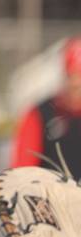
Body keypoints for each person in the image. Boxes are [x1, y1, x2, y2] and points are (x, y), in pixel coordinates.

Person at [11, 37, 81, 176]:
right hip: (52, 196)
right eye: (73, 76)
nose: (77, 84)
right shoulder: (42, 114)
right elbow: (22, 169)